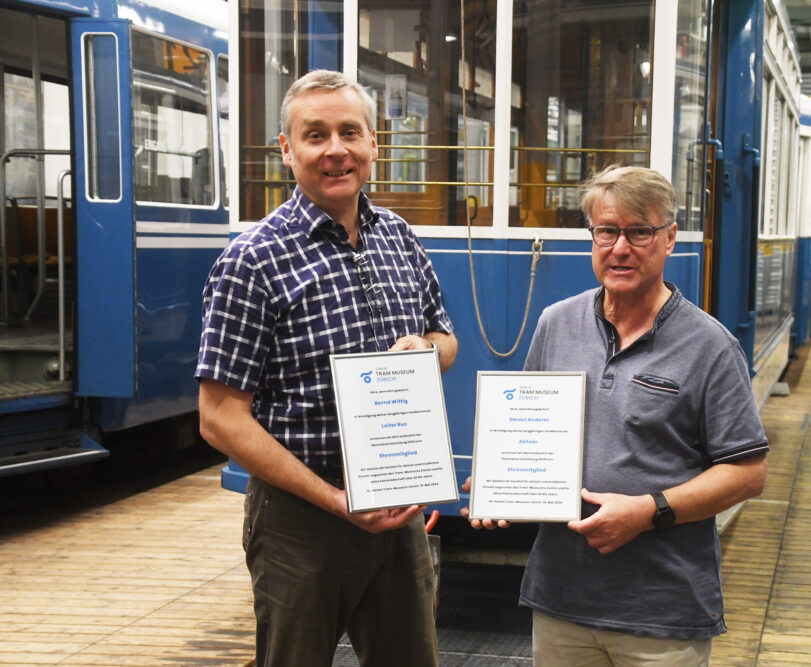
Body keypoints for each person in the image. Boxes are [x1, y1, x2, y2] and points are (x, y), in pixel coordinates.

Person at [196, 69, 457, 667]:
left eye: (349, 132)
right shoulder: (253, 260)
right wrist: (337, 500)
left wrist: (426, 349)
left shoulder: (399, 237)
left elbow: (447, 340)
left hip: (400, 506)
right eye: (315, 135)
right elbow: (219, 419)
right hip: (301, 520)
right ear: (288, 150)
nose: (336, 150)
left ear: (374, 144)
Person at [465, 165, 767, 666]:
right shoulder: (555, 324)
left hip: (661, 614)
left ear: (669, 238)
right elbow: (528, 435)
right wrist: (503, 483)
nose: (620, 247)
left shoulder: (710, 346)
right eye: (607, 231)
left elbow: (747, 474)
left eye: (639, 231)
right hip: (561, 602)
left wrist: (649, 512)